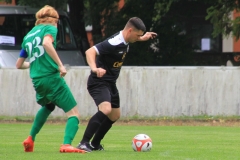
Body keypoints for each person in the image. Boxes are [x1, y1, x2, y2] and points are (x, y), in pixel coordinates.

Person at [76, 17, 157, 152]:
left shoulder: (126, 39)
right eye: (137, 35)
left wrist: (143, 38)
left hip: (110, 83)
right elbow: (89, 52)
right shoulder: (113, 42)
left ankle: (95, 144)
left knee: (114, 115)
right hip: (99, 82)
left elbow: (134, 38)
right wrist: (94, 69)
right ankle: (83, 143)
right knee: (106, 109)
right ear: (130, 31)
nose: (138, 37)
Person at [16, 5, 85, 153]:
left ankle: (30, 138)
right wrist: (60, 65)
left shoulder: (28, 36)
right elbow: (46, 43)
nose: (57, 25)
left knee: (48, 106)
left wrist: (34, 64)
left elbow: (19, 64)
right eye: (57, 22)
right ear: (54, 20)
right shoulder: (50, 28)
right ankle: (66, 144)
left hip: (37, 81)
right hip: (51, 78)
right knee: (74, 114)